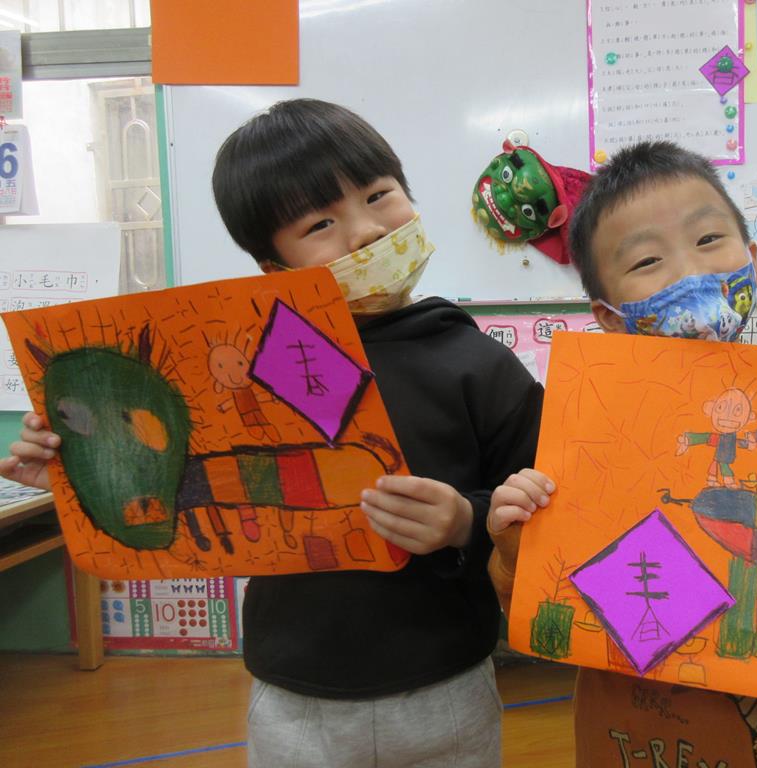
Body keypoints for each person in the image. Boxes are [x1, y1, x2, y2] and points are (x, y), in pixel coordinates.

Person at [4, 98, 544, 768]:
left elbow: (543, 506)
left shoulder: (476, 362)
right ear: (274, 268)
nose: (365, 232)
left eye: (379, 195)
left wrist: (467, 520)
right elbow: (187, 484)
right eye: (320, 224)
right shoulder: (254, 366)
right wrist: (79, 469)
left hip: (447, 685)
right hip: (296, 694)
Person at [487, 141, 757, 768]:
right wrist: (519, 545)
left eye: (709, 240)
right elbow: (538, 609)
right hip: (639, 733)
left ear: (753, 263)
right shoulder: (586, 433)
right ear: (609, 315)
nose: (687, 273)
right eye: (648, 260)